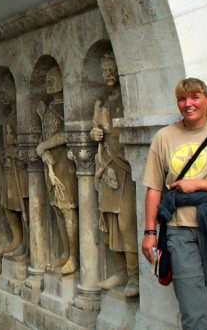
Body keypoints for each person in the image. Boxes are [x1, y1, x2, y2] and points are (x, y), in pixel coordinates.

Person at [142, 78, 207, 330]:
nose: (188, 104)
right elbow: (154, 188)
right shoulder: (164, 137)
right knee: (193, 311)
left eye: (195, 97)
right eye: (182, 99)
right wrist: (150, 233)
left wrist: (200, 184)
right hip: (179, 229)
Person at [90, 52, 138, 296]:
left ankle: (135, 276)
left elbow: (128, 132)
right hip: (106, 165)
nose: (108, 75)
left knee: (126, 221)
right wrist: (95, 133)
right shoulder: (107, 100)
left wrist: (105, 127)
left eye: (112, 70)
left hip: (125, 167)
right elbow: (97, 131)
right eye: (105, 71)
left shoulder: (128, 97)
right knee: (110, 222)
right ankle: (120, 271)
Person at [36, 66, 78, 274]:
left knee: (66, 208)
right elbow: (44, 138)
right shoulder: (50, 107)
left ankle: (75, 256)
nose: (49, 83)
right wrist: (43, 152)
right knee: (56, 209)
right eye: (47, 80)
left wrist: (44, 147)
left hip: (63, 164)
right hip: (50, 163)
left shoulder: (62, 108)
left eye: (53, 79)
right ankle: (66, 251)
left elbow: (67, 134)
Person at [0, 77, 29, 259]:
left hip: (21, 169)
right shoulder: (9, 116)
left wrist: (15, 143)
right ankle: (17, 239)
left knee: (22, 205)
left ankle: (26, 243)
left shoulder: (22, 116)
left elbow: (28, 144)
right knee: (7, 205)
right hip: (10, 167)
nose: (2, 97)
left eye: (4, 92)